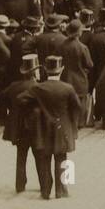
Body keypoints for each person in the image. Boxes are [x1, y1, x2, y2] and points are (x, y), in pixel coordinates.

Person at [18, 53, 81, 200]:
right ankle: (62, 191)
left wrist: (35, 109)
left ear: (45, 70)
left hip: (43, 128)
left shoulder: (38, 88)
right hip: (62, 127)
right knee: (62, 158)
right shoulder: (68, 88)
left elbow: (20, 99)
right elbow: (77, 107)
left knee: (44, 159)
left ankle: (45, 191)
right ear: (62, 69)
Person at [0, 53, 41, 193]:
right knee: (39, 156)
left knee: (21, 156)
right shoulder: (39, 87)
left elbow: (1, 98)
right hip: (35, 127)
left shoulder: (14, 86)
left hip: (18, 127)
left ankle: (20, 185)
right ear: (35, 72)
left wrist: (10, 111)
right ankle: (44, 184)